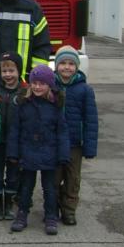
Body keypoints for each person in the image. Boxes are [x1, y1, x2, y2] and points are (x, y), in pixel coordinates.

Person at [7, 64, 70, 236]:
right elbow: (15, 130)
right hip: (28, 151)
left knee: (49, 188)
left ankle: (50, 216)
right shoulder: (23, 104)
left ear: (49, 85)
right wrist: (13, 152)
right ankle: (22, 214)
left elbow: (62, 132)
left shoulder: (56, 106)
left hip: (49, 153)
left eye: (42, 83)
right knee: (26, 186)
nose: (37, 87)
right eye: (34, 83)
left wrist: (64, 154)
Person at [53, 45, 98, 226]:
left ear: (77, 66)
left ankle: (69, 210)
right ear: (56, 66)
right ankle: (53, 208)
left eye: (71, 63)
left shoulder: (85, 90)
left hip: (74, 143)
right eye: (62, 63)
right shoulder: (50, 87)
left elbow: (91, 120)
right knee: (53, 179)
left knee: (73, 179)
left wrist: (90, 146)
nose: (66, 67)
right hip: (54, 143)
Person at [0, 51, 25, 220]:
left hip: (15, 142)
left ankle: (9, 203)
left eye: (12, 70)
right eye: (4, 71)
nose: (8, 74)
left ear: (19, 71)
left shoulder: (25, 93)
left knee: (13, 174)